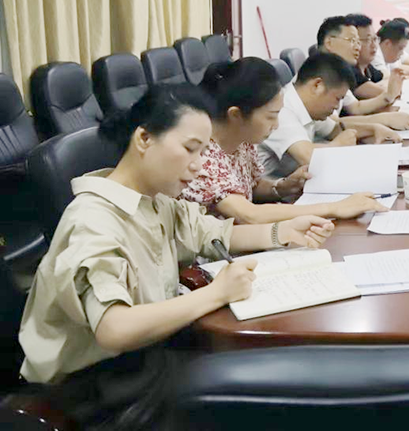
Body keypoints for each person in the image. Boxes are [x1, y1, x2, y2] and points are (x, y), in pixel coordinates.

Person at [18, 84, 337, 428]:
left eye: (203, 152)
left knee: (266, 373)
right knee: (259, 395)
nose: (198, 166)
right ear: (144, 139)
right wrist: (217, 293)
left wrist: (283, 232)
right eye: (190, 149)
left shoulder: (155, 199)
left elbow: (216, 234)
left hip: (145, 355)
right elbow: (115, 329)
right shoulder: (93, 221)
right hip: (96, 387)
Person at [180, 57, 387, 223]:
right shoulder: (204, 158)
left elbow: (251, 186)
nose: (276, 125)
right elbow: (249, 214)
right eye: (271, 117)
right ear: (236, 115)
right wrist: (335, 208)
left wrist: (282, 187)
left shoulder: (243, 141)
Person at [258, 52, 402, 178]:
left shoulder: (308, 107)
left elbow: (335, 129)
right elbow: (308, 157)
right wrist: (338, 145)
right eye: (337, 98)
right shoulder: (282, 109)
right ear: (317, 85)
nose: (336, 107)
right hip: (268, 194)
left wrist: (374, 129)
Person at [317, 15, 404, 113]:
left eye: (357, 41)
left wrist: (388, 96)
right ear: (329, 43)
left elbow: (355, 107)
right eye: (352, 40)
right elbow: (335, 122)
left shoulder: (337, 71)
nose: (357, 47)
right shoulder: (321, 74)